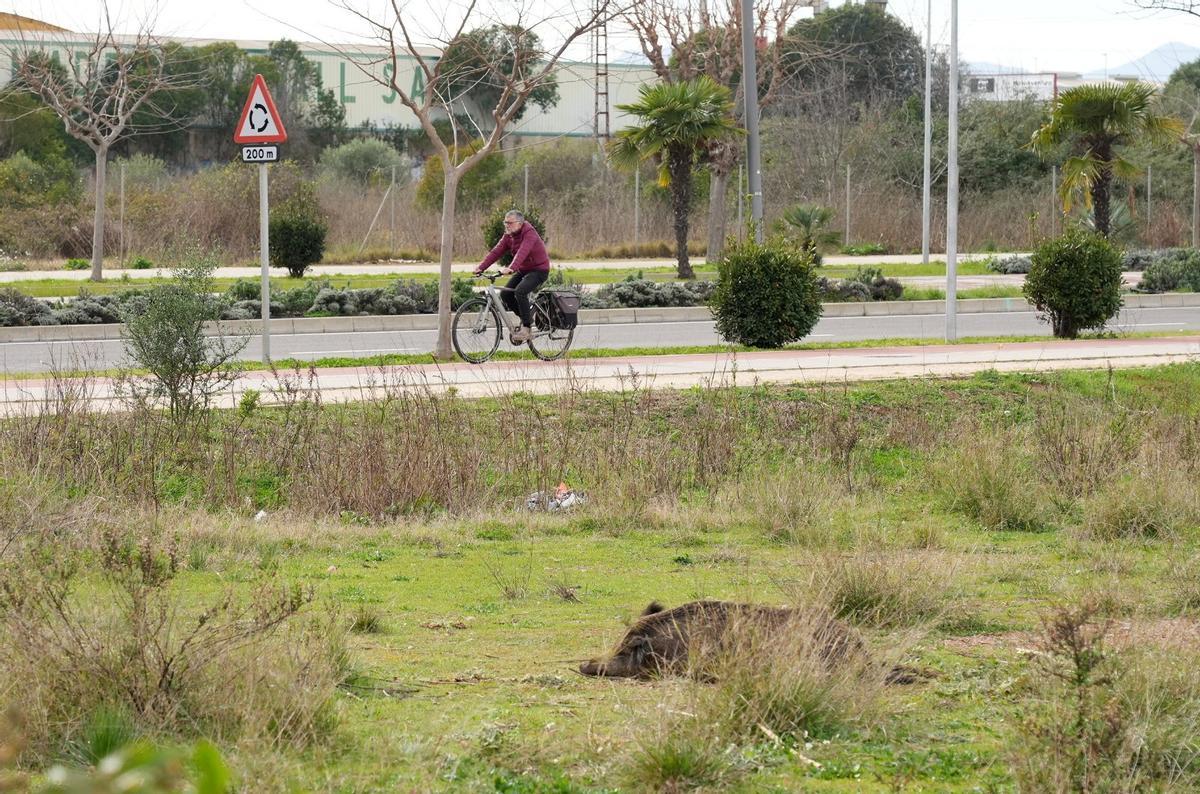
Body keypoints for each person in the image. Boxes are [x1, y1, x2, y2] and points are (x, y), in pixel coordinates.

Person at [473, 210, 550, 343]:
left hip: (539, 270)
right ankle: (528, 318)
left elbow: (523, 251)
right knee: (505, 295)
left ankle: (526, 328)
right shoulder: (509, 236)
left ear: (519, 223)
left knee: (520, 291)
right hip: (524, 270)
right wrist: (481, 267)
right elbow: (496, 251)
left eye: (510, 223)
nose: (507, 225)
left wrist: (511, 268)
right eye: (505, 222)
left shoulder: (529, 233)